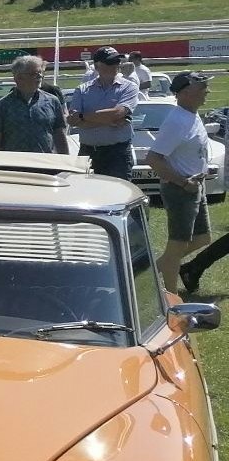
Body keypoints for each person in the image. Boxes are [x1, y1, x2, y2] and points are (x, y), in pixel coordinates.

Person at [148, 73, 214, 293]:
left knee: (203, 238)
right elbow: (153, 159)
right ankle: (170, 296)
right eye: (202, 87)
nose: (207, 91)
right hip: (180, 189)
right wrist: (183, 182)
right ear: (185, 93)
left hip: (195, 186)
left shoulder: (191, 115)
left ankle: (149, 272)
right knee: (177, 244)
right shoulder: (176, 121)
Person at [68, 47, 141, 179]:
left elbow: (117, 113)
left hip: (117, 154)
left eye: (117, 61)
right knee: (86, 191)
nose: (116, 65)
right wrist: (109, 121)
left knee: (119, 190)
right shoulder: (82, 89)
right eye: (110, 62)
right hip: (88, 153)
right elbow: (73, 120)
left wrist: (83, 116)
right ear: (97, 66)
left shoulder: (130, 87)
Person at [0, 56, 69, 154]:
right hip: (15, 162)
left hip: (44, 161)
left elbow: (60, 136)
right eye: (34, 73)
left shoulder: (52, 101)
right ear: (18, 78)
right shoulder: (1, 106)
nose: (39, 76)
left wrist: (66, 159)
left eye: (40, 73)